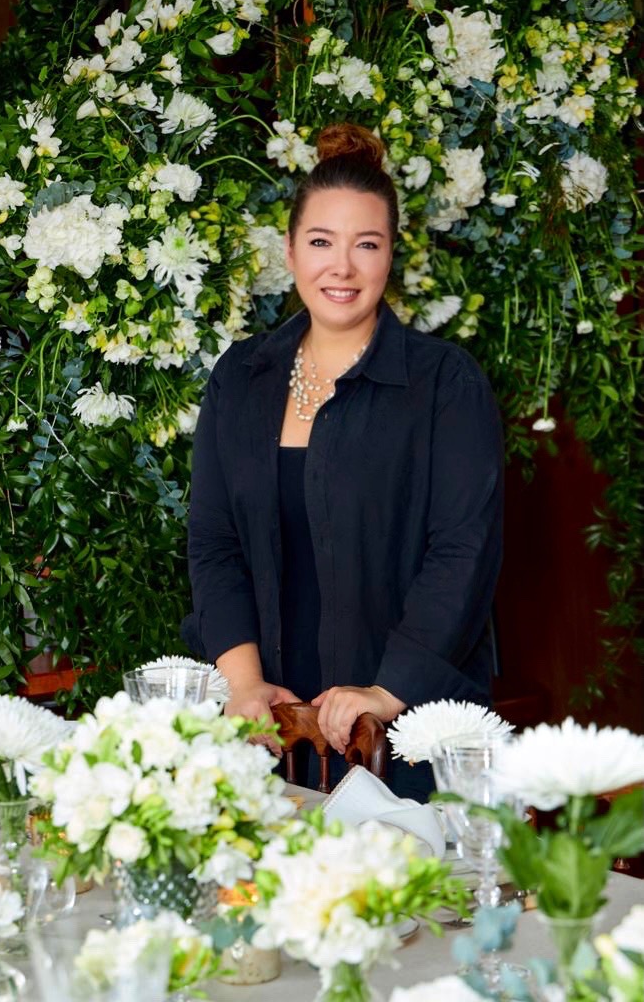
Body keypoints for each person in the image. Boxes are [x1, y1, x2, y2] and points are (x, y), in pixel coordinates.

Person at [184, 122, 504, 800]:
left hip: (408, 726)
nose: (342, 267)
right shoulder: (240, 378)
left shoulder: (444, 384)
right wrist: (244, 685)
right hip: (263, 728)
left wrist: (385, 691)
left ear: (392, 254)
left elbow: (463, 552)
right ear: (290, 249)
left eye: (367, 244)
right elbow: (213, 543)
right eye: (321, 242)